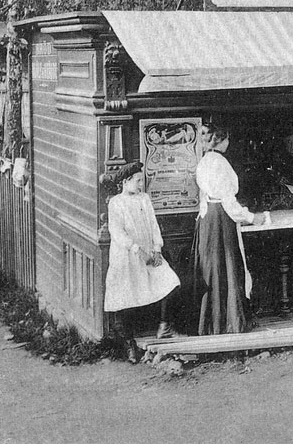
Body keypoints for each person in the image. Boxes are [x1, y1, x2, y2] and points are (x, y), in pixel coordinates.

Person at [102, 161, 182, 363]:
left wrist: (156, 249)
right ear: (126, 181)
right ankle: (129, 345)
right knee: (126, 298)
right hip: (127, 257)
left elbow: (153, 225)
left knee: (170, 282)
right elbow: (117, 232)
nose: (140, 185)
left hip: (150, 255)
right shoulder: (116, 203)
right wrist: (138, 249)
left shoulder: (144, 199)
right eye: (137, 181)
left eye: (141, 180)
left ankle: (164, 327)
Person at [194, 124, 267, 335]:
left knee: (213, 269)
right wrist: (252, 217)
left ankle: (212, 324)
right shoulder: (220, 163)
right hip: (220, 220)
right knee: (226, 267)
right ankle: (230, 323)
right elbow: (228, 201)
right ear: (222, 141)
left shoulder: (205, 161)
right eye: (227, 140)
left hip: (208, 219)